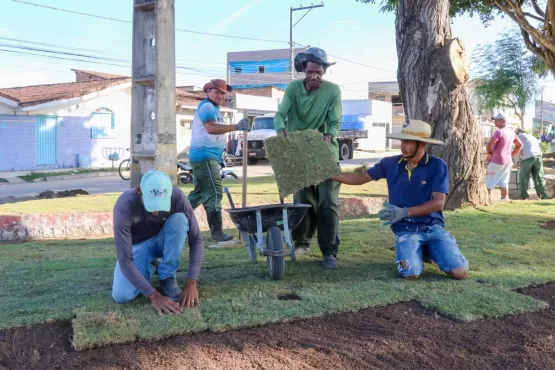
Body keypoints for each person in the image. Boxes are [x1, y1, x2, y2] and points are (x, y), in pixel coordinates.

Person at [330, 119, 469, 280]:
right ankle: (417, 249)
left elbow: (439, 203)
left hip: (433, 228)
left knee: (460, 273)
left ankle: (430, 249)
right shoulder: (390, 163)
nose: (402, 145)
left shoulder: (437, 166)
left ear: (422, 144)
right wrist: (332, 176)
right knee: (411, 274)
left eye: (408, 141)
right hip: (406, 231)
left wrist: (405, 212)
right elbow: (361, 177)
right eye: (402, 140)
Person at [273, 47, 342, 269]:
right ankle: (301, 242)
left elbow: (334, 120)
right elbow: (281, 114)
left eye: (319, 72)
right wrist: (280, 131)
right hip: (299, 151)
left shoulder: (333, 91)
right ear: (304, 70)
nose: (314, 76)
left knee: (327, 201)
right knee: (302, 201)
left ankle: (329, 251)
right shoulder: (293, 89)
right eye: (311, 71)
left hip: (324, 150)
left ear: (324, 72)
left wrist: (330, 134)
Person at [111, 170, 204, 315]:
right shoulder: (124, 206)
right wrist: (153, 295)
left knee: (179, 220)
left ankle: (166, 276)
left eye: (161, 205)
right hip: (137, 247)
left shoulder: (177, 196)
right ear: (139, 190)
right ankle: (150, 266)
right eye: (151, 205)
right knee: (122, 296)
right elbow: (125, 259)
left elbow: (196, 240)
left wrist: (192, 281)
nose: (156, 212)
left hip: (161, 241)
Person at [187, 79, 251, 242]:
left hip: (208, 156)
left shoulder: (214, 108)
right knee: (214, 192)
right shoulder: (207, 106)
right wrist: (236, 126)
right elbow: (211, 128)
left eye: (223, 93)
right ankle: (217, 232)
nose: (220, 96)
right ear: (207, 91)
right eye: (217, 92)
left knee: (200, 194)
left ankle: (170, 218)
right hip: (204, 156)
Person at [485, 114, 522, 200]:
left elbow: (490, 144)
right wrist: (511, 155)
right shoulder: (511, 132)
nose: (494, 122)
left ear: (503, 122)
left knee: (488, 181)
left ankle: (486, 200)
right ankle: (504, 199)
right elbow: (519, 145)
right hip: (508, 161)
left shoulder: (499, 132)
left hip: (497, 161)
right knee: (504, 182)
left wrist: (490, 153)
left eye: (497, 120)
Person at [515, 128, 549, 200]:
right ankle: (543, 195)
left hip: (527, 157)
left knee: (524, 177)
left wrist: (517, 161)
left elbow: (518, 148)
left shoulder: (519, 136)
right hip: (538, 156)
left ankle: (524, 196)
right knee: (539, 177)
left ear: (517, 132)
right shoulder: (532, 137)